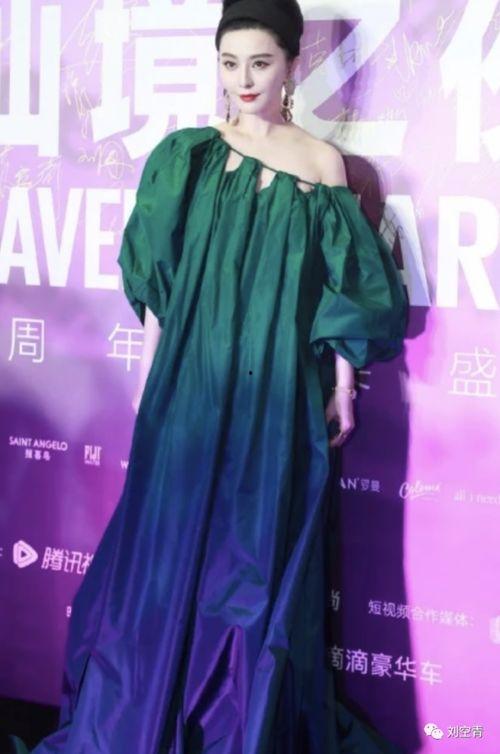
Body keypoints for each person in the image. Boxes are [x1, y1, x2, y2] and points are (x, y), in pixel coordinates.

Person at [16, 1, 408, 752]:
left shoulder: (322, 166)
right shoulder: (186, 157)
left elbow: (346, 289)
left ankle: (234, 727)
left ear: (292, 63)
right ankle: (144, 713)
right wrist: (149, 375)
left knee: (252, 564)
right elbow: (159, 282)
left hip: (276, 397)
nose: (243, 80)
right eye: (230, 63)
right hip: (187, 388)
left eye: (260, 62)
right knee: (163, 553)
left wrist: (342, 387)